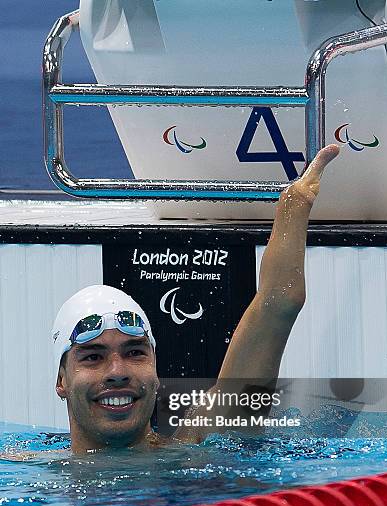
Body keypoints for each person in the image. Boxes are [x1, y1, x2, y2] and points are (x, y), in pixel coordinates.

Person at [8, 144, 341, 457]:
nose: (117, 372)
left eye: (135, 352)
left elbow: (279, 303)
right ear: (61, 380)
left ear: (155, 370)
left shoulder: (194, 446)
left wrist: (293, 207)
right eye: (93, 357)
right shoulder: (21, 467)